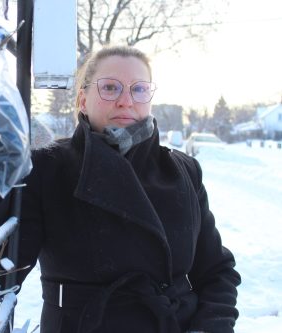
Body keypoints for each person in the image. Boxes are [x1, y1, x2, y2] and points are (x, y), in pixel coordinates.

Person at [13, 45, 241, 333]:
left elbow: (216, 270)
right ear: (83, 99)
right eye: (110, 87)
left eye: (139, 89)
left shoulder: (183, 170)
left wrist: (211, 327)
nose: (126, 100)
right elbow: (1, 271)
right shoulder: (47, 168)